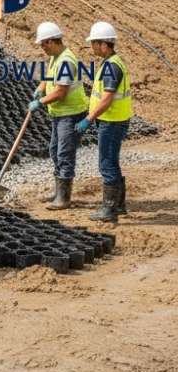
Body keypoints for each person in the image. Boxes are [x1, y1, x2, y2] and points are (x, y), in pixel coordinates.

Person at [76, 21, 132, 223]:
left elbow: (107, 99)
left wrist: (88, 119)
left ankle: (109, 209)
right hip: (112, 120)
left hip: (112, 121)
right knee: (111, 161)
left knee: (106, 163)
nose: (92, 47)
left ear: (104, 44)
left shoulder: (112, 66)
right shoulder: (111, 63)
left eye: (94, 43)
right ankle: (119, 205)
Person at [30, 21, 88, 210]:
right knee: (55, 150)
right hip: (60, 114)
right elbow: (49, 77)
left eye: (43, 44)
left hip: (71, 114)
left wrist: (40, 102)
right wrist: (40, 89)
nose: (42, 48)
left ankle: (64, 198)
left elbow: (61, 91)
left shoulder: (66, 61)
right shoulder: (56, 57)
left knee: (64, 153)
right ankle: (59, 191)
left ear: (50, 41)